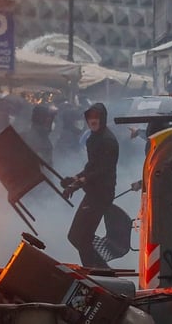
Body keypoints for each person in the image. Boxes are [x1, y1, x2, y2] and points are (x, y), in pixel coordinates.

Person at [61, 102, 118, 269]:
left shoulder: (108, 141)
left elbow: (103, 170)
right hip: (94, 192)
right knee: (78, 237)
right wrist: (74, 178)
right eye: (90, 117)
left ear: (103, 118)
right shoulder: (94, 138)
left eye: (96, 117)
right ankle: (99, 271)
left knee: (80, 237)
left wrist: (79, 183)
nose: (93, 120)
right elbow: (91, 166)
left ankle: (98, 272)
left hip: (101, 194)